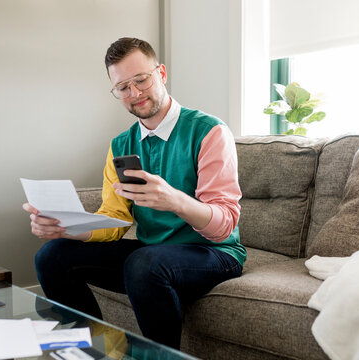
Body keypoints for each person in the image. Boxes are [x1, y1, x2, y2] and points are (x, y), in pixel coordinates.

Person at [23, 37, 246, 350]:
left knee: (143, 262)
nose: (135, 93)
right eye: (123, 87)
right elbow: (115, 219)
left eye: (141, 79)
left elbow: (223, 224)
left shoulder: (209, 131)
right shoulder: (120, 145)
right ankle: (91, 352)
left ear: (162, 74)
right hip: (153, 253)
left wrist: (176, 201)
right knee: (52, 255)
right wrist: (67, 228)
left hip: (214, 253)